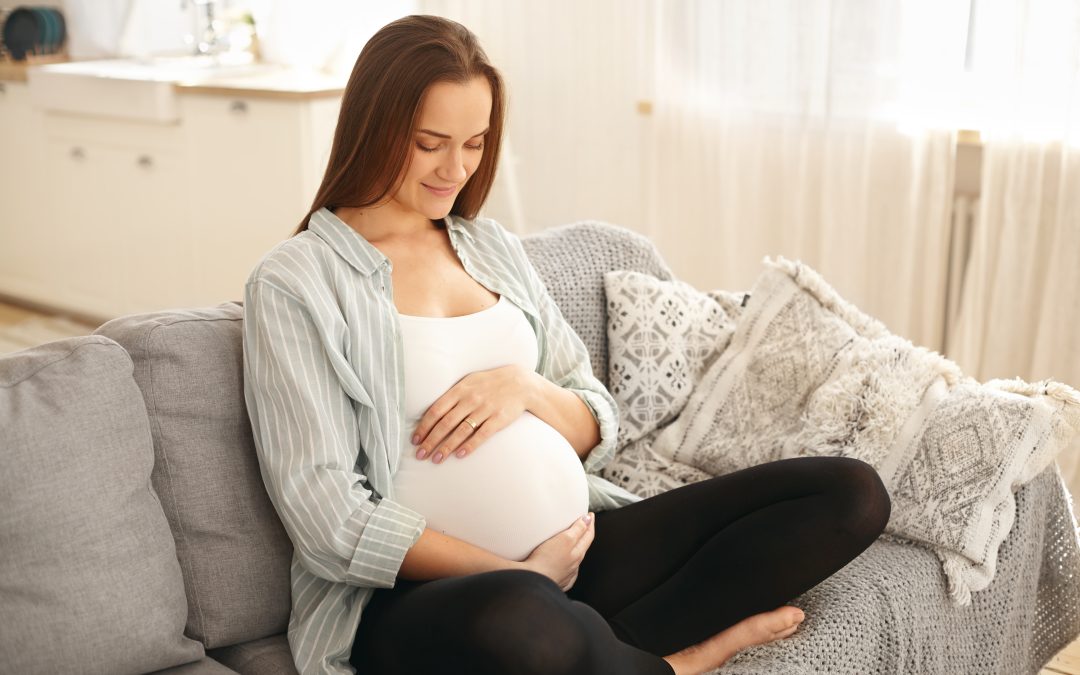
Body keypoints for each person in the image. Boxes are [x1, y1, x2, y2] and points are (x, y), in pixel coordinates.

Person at [241, 14, 892, 675]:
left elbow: (593, 417)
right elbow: (327, 514)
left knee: (849, 494)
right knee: (524, 620)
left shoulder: (488, 247)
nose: (457, 169)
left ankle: (601, 646)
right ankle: (678, 661)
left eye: (474, 142)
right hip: (420, 600)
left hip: (579, 548)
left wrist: (522, 387)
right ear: (374, 128)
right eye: (430, 142)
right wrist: (522, 572)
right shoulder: (297, 281)